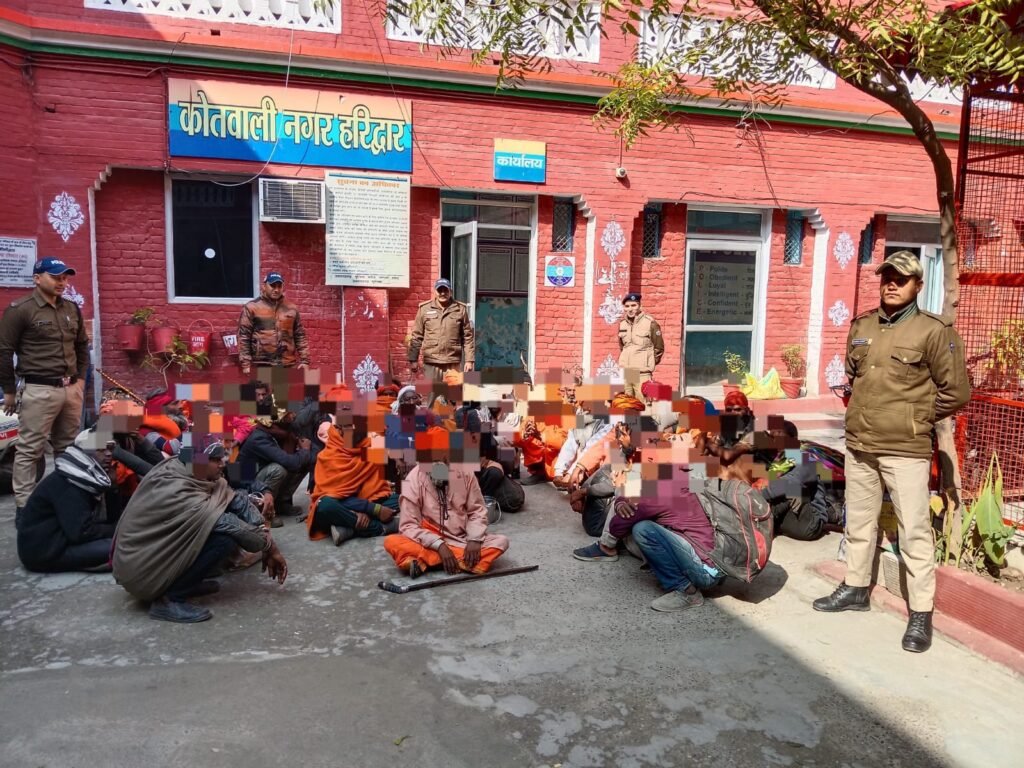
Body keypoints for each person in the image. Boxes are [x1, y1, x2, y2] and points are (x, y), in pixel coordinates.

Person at [813, 250, 970, 653]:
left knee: (913, 530)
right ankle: (855, 587)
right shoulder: (862, 325)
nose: (892, 284)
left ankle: (921, 612)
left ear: (918, 285)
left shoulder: (934, 331)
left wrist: (914, 417)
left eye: (901, 279)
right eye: (887, 277)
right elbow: (853, 376)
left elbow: (956, 392)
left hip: (905, 449)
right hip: (860, 444)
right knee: (859, 522)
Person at [112, 440, 288, 623]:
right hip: (143, 569)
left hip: (160, 554)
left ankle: (185, 584)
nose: (222, 463)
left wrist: (262, 527)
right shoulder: (178, 490)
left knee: (228, 522)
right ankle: (169, 598)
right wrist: (269, 546)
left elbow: (234, 497)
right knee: (225, 539)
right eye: (216, 459)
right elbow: (233, 526)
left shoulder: (195, 473)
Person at [0, 258, 89, 514]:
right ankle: (24, 508)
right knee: (30, 449)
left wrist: (80, 380)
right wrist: (9, 391)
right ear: (37, 278)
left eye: (65, 278)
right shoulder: (20, 310)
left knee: (67, 447)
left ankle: (64, 502)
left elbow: (82, 345)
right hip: (38, 390)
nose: (62, 282)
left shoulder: (71, 308)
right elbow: (4, 351)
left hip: (70, 388)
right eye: (55, 277)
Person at [383, 427, 509, 578]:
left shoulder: (464, 473)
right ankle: (459, 560)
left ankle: (428, 560)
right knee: (392, 542)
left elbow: (477, 511)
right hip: (427, 539)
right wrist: (439, 545)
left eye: (442, 462)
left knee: (501, 542)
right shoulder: (413, 479)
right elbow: (408, 526)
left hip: (461, 539)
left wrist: (474, 539)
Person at [16, 441, 121, 573]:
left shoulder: (87, 480)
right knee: (124, 546)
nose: (108, 454)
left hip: (63, 541)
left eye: (110, 449)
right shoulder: (70, 483)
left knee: (124, 541)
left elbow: (110, 519)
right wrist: (116, 529)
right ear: (84, 455)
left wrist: (113, 488)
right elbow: (81, 532)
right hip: (46, 553)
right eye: (100, 450)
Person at [306, 418, 400, 547]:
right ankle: (379, 528)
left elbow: (379, 487)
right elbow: (330, 496)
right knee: (325, 505)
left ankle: (348, 528)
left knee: (403, 498)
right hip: (346, 504)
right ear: (339, 429)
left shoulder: (371, 445)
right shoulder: (327, 456)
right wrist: (374, 509)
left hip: (367, 500)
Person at [234, 409, 313, 525]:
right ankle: (264, 511)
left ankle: (281, 503)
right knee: (278, 469)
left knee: (303, 462)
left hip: (258, 474)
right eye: (289, 414)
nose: (293, 415)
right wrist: (305, 450)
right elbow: (289, 462)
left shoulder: (279, 432)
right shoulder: (259, 437)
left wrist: (302, 453)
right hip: (246, 481)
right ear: (278, 419)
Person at [237, 271, 310, 375]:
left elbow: (300, 335)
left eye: (279, 286)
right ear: (264, 286)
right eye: (272, 286)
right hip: (262, 363)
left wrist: (305, 360)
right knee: (263, 386)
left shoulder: (291, 308)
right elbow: (243, 336)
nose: (276, 289)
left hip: (287, 364)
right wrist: (245, 363)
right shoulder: (252, 307)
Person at [408, 278, 475, 382]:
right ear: (435, 291)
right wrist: (413, 359)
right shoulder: (424, 309)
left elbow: (468, 337)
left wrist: (469, 360)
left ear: (450, 291)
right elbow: (417, 336)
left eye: (445, 290)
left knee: (453, 391)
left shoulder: (460, 309)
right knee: (432, 391)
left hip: (452, 361)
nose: (443, 293)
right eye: (440, 290)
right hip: (431, 361)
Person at [617, 293, 664, 399]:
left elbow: (659, 347)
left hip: (643, 373)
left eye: (633, 305)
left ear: (640, 306)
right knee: (627, 403)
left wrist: (649, 362)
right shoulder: (622, 324)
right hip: (628, 372)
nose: (630, 309)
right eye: (627, 306)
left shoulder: (650, 323)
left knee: (643, 403)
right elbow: (622, 347)